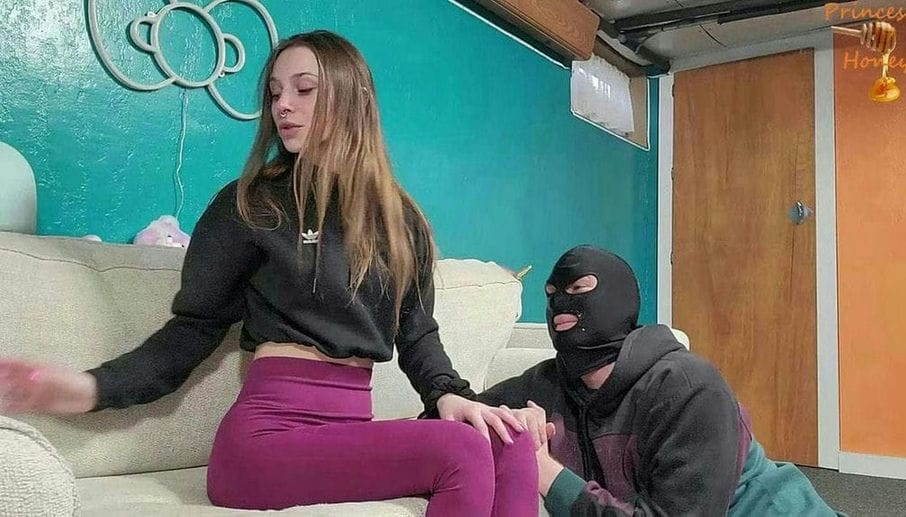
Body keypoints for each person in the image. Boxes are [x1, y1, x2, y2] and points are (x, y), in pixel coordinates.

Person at [0, 30, 538, 516]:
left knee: (510, 440)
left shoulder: (401, 221)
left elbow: (417, 333)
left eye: (304, 89)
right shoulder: (252, 203)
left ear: (353, 98)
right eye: (276, 92)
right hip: (264, 441)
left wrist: (449, 395)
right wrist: (88, 387)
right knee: (460, 450)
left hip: (346, 435)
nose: (283, 104)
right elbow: (192, 331)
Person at [479, 245, 842, 516]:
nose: (560, 303)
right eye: (551, 294)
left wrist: (547, 473)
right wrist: (509, 422)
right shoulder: (545, 384)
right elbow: (458, 413)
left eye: (578, 288)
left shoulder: (688, 388)